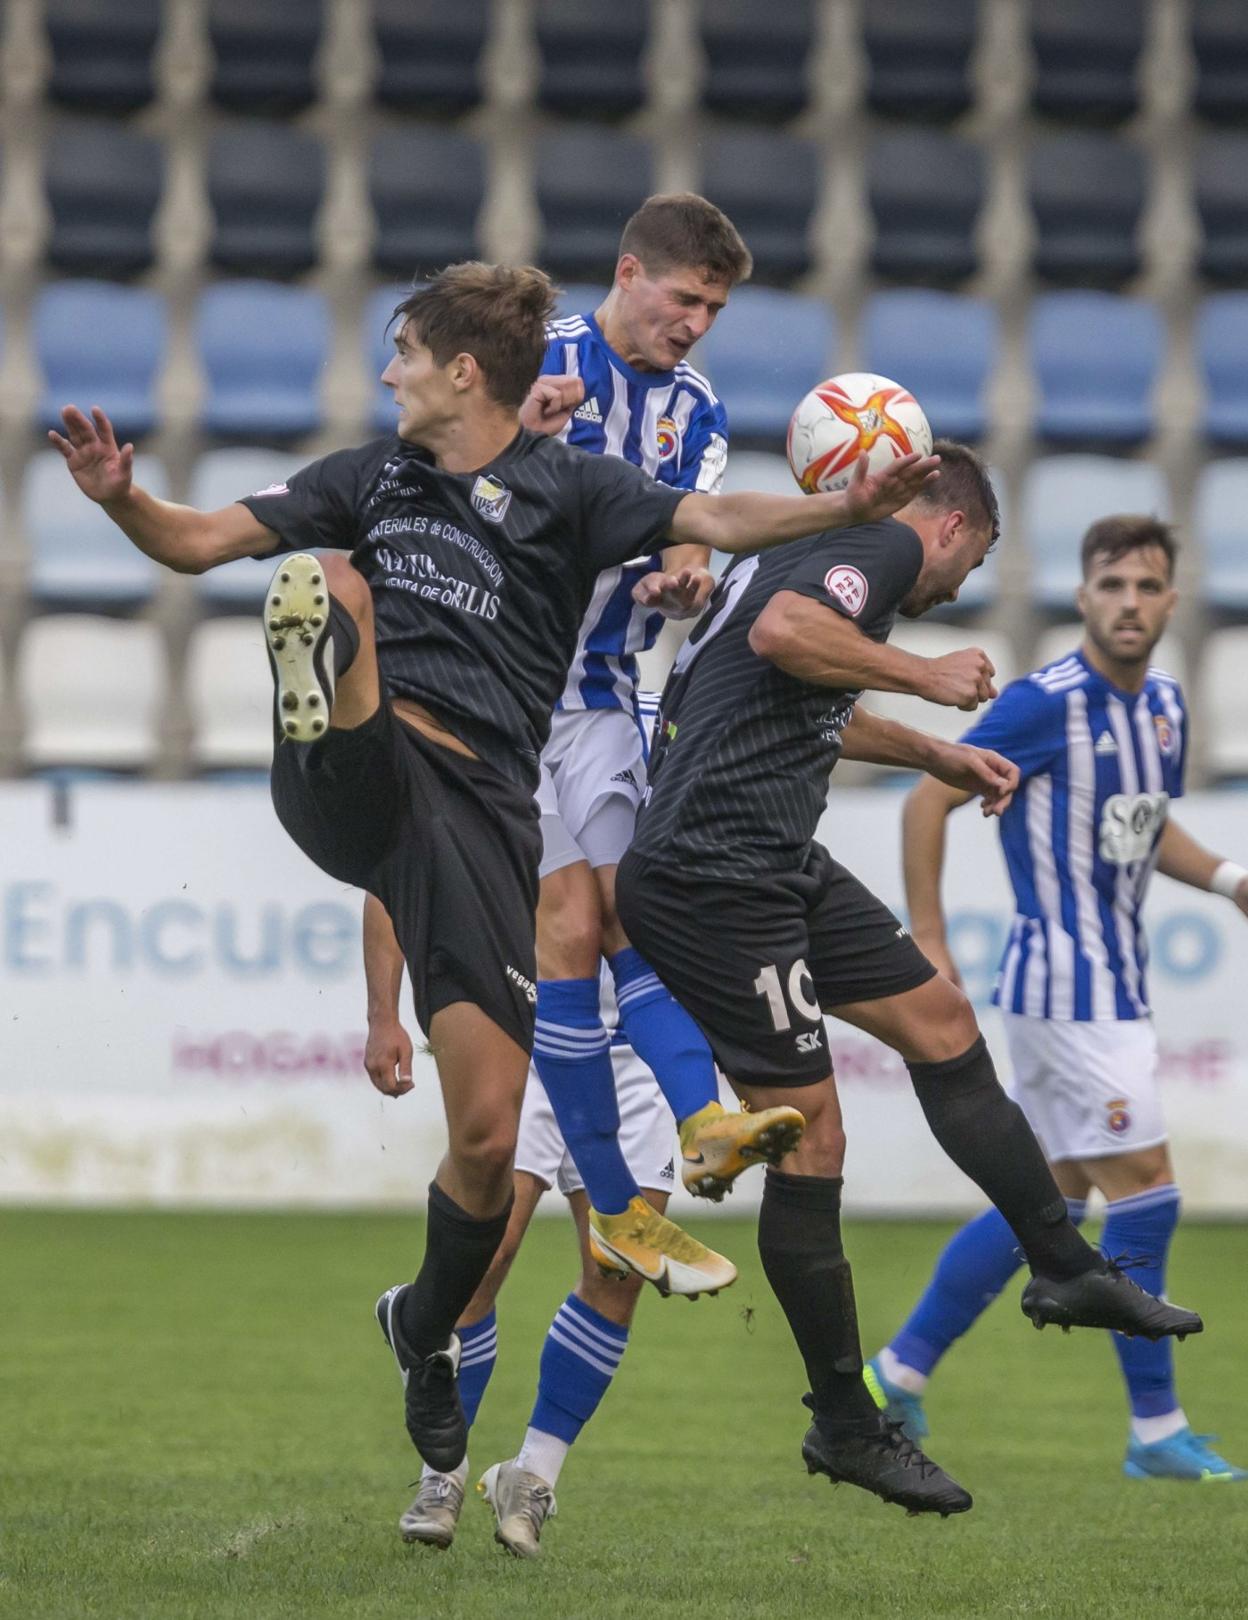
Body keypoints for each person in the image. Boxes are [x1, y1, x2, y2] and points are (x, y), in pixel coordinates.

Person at [49, 260, 940, 1484]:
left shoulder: (572, 489)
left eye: (403, 351)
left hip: (477, 825)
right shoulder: (367, 477)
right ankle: (329, 674)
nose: (388, 371)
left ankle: (421, 1330)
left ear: (463, 370)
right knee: (337, 579)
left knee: (480, 1136)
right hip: (365, 777)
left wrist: (848, 513)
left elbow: (720, 523)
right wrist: (119, 501)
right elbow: (201, 541)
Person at [616, 446, 1204, 1518]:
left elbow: (808, 685)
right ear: (952, 524)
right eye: (971, 561)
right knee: (814, 1137)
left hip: (777, 857)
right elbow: (785, 638)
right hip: (714, 874)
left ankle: (1062, 1263)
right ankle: (846, 1421)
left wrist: (938, 752)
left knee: (939, 1019)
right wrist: (932, 675)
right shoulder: (879, 544)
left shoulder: (819, 557)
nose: (960, 584)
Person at [866, 515, 1247, 1484]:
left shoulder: (1162, 708)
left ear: (1170, 602)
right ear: (1082, 598)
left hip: (1115, 986)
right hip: (1062, 992)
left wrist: (1235, 881)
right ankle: (1157, 1434)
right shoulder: (1046, 704)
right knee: (1149, 1195)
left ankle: (896, 1372)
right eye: (1111, 584)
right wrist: (932, 936)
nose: (1128, 602)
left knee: (1050, 1200)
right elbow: (926, 797)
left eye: (1147, 586)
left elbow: (1146, 832)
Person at [520, 194, 801, 1293]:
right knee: (573, 924)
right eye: (686, 300)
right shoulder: (535, 363)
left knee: (636, 914)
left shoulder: (697, 407)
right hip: (498, 697)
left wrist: (680, 579)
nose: (696, 325)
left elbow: (690, 524)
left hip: (598, 693)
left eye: (714, 311)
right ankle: (613, 1201)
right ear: (630, 272)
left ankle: (706, 1122)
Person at [367, 887, 678, 1559]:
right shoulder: (496, 779)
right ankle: (441, 1477)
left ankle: (531, 1476)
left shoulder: (668, 778)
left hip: (637, 1043)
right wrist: (383, 1013)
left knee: (617, 1267)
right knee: (487, 1253)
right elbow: (393, 867)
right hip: (523, 1029)